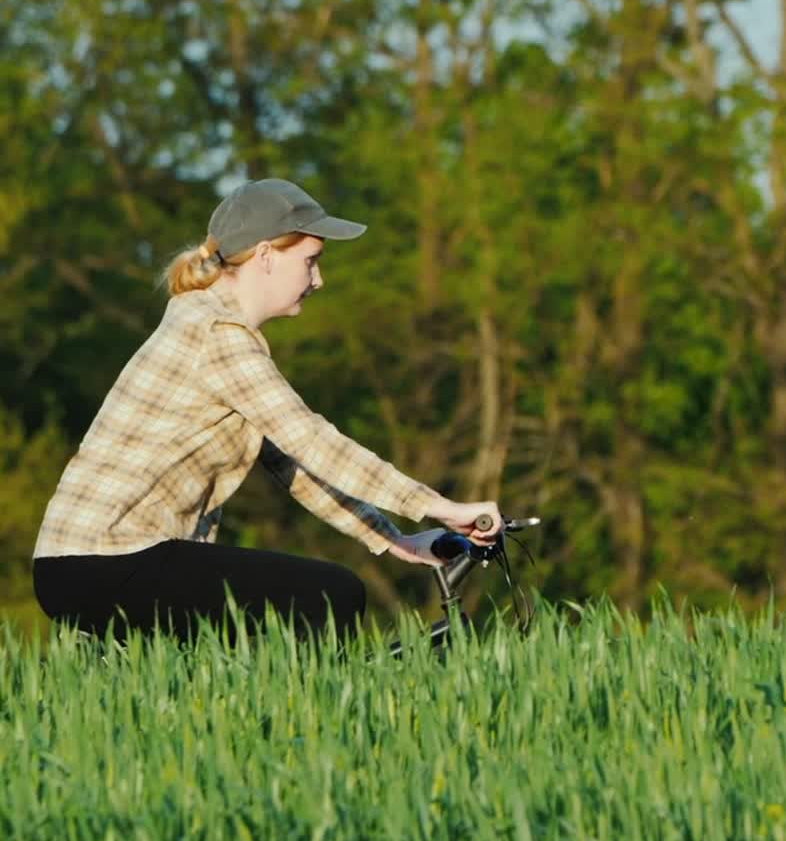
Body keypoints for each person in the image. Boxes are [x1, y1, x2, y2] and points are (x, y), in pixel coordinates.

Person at [32, 177, 501, 642]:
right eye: (310, 261)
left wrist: (395, 539)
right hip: (108, 559)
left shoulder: (206, 324)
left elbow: (297, 465)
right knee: (329, 596)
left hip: (84, 564)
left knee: (221, 658)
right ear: (264, 256)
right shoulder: (218, 334)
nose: (319, 279)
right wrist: (438, 507)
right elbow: (313, 440)